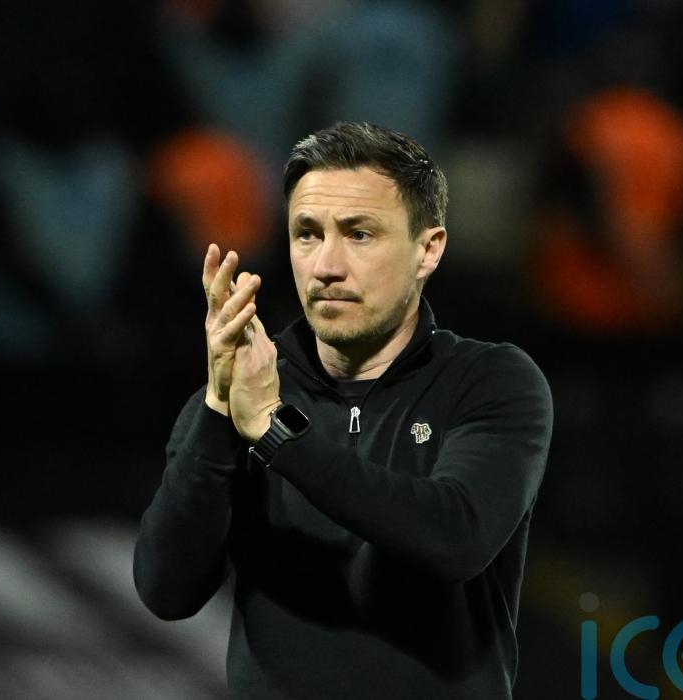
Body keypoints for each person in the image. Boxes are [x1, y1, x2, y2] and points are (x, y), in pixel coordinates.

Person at [133, 122, 553, 698]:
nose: (327, 266)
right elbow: (166, 590)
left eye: (359, 234)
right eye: (307, 234)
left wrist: (277, 435)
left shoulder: (488, 380)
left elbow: (455, 539)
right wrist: (217, 409)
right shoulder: (243, 394)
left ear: (428, 249)